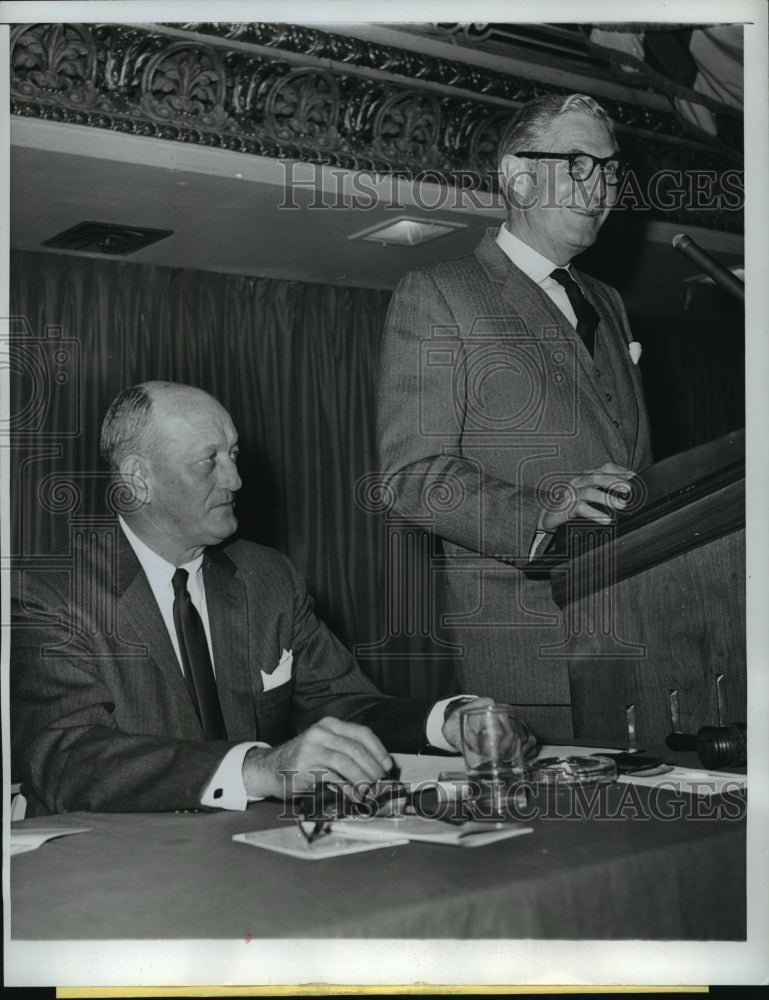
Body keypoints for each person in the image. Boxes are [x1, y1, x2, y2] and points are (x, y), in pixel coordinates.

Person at [12, 381, 533, 817]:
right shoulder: (51, 593)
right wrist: (257, 768)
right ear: (137, 479)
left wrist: (445, 719)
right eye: (207, 462)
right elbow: (67, 758)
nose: (235, 479)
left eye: (233, 454)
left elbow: (341, 704)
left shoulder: (268, 577)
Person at [377, 94, 653, 733]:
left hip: (640, 640)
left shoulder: (606, 301)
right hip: (534, 659)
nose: (602, 186)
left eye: (610, 170)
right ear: (517, 176)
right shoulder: (440, 293)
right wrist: (543, 509)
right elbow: (410, 477)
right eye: (579, 164)